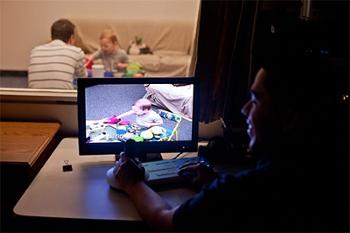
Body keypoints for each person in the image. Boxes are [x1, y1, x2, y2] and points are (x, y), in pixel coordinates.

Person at [112, 20, 342, 231]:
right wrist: (212, 183)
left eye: (256, 100)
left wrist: (132, 183)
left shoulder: (243, 189)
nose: (244, 110)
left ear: (290, 115)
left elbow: (165, 220)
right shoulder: (323, 175)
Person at [28, 19, 87, 89]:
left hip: (34, 99)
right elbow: (82, 83)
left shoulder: (35, 51)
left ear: (52, 37)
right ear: (71, 38)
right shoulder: (76, 52)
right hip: (64, 98)